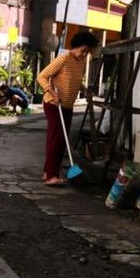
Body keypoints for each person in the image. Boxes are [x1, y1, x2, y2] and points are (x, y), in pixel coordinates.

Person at [37, 31, 99, 186]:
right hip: (53, 104)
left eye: (88, 52)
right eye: (84, 50)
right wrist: (52, 92)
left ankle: (48, 172)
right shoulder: (63, 58)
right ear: (76, 46)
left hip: (67, 105)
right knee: (56, 139)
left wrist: (85, 90)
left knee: (61, 140)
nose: (85, 54)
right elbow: (41, 76)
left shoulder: (80, 62)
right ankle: (52, 176)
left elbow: (76, 81)